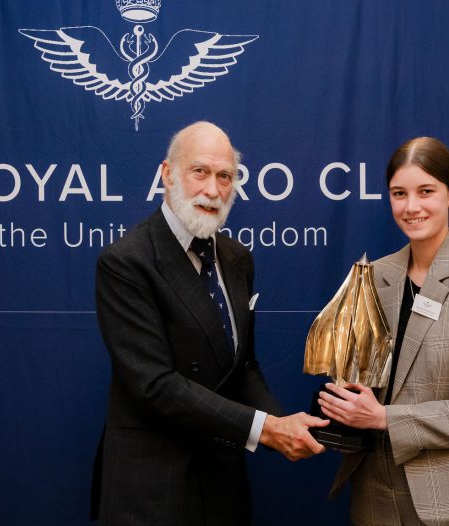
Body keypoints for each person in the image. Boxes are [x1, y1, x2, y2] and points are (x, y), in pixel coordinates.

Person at [92, 121, 328, 525]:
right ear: (167, 174)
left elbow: (243, 367)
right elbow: (155, 386)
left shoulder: (237, 259)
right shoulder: (126, 261)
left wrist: (282, 424)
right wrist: (265, 429)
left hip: (222, 483)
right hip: (152, 487)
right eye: (199, 171)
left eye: (225, 177)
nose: (213, 190)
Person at [317, 137, 449, 526]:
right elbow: (357, 382)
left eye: (426, 191)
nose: (411, 207)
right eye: (399, 193)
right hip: (373, 495)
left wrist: (384, 418)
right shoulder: (373, 275)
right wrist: (343, 408)